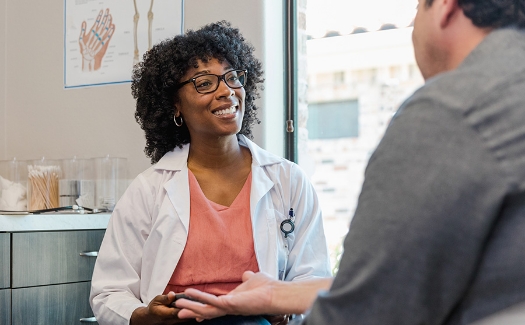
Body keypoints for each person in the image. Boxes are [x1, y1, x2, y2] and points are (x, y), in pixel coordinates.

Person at [175, 0, 525, 324]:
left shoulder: (449, 111)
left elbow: (369, 307)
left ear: (446, 7)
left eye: (418, 7)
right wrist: (277, 293)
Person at [89, 21, 331, 325]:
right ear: (175, 104)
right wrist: (142, 317)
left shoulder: (288, 181)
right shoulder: (149, 189)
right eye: (205, 83)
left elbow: (315, 279)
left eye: (232, 78)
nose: (226, 92)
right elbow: (109, 292)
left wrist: (288, 306)